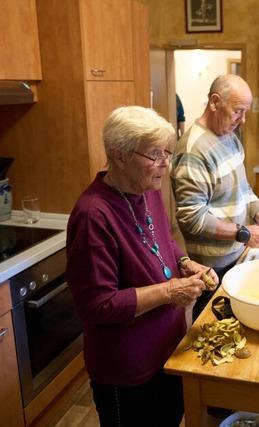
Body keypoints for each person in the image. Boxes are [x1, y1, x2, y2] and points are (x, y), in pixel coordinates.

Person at [66, 106, 218, 427]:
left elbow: (163, 241)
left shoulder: (146, 190)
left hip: (167, 351)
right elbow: (97, 305)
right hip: (127, 369)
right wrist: (170, 291)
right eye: (154, 154)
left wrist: (185, 262)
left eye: (167, 152)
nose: (165, 163)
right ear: (118, 155)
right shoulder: (93, 215)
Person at [171, 74, 259, 322]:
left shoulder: (229, 137)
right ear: (214, 102)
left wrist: (258, 211)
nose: (242, 120)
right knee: (212, 334)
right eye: (238, 111)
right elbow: (192, 218)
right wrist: (243, 233)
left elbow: (242, 188)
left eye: (245, 112)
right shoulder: (193, 150)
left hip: (237, 255)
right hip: (213, 266)